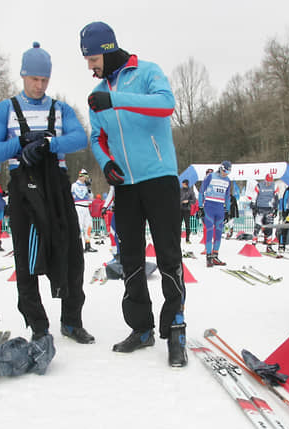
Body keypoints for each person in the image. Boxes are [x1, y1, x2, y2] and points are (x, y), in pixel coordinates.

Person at [81, 21, 187, 366]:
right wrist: (106, 162)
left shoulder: (147, 72)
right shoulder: (98, 94)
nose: (90, 66)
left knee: (169, 255)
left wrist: (116, 99)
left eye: (92, 58)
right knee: (129, 258)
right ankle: (140, 328)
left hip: (159, 177)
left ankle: (176, 329)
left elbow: (166, 105)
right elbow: (97, 137)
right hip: (125, 185)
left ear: (108, 50)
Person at [0, 41, 94, 348]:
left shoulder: (59, 108)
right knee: (27, 258)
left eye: (44, 80)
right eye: (34, 79)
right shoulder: (6, 108)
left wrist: (48, 144)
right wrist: (21, 144)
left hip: (56, 184)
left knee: (71, 253)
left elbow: (78, 138)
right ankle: (38, 324)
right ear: (23, 75)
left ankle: (72, 320)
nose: (39, 85)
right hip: (24, 186)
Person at [198, 161, 232, 266]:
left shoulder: (227, 180)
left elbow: (227, 196)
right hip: (209, 207)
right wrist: (200, 206)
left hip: (220, 208)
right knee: (209, 231)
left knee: (218, 233)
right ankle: (208, 257)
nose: (225, 174)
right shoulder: (210, 176)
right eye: (225, 171)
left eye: (228, 172)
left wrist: (227, 210)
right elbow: (201, 191)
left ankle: (215, 256)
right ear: (221, 168)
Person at [71, 168, 97, 252]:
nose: (86, 178)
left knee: (89, 226)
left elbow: (91, 197)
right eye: (85, 176)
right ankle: (79, 246)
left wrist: (89, 188)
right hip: (78, 207)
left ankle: (88, 244)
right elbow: (80, 195)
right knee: (80, 226)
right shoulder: (74, 185)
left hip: (86, 208)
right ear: (81, 176)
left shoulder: (86, 186)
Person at [253, 173, 278, 251]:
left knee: (269, 227)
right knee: (258, 226)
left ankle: (269, 246)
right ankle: (253, 244)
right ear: (265, 180)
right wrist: (253, 205)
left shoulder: (275, 186)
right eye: (267, 181)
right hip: (260, 208)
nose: (269, 183)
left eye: (270, 181)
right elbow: (254, 196)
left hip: (269, 209)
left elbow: (276, 197)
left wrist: (276, 208)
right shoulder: (259, 185)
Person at [179, 179, 195, 244]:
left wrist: (188, 201)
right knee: (178, 225)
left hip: (187, 209)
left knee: (187, 225)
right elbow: (176, 198)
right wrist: (181, 202)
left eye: (183, 183)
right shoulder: (180, 190)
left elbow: (194, 200)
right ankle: (178, 239)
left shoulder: (191, 191)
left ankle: (187, 239)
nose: (182, 184)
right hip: (180, 209)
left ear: (185, 184)